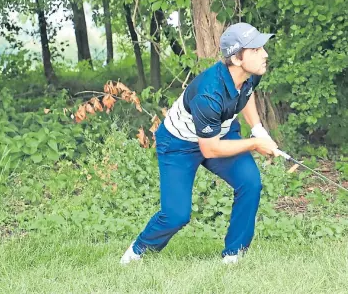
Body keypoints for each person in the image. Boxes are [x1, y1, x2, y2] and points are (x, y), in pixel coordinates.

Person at [120, 22, 282, 265]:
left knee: (250, 183)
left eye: (262, 48)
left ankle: (233, 254)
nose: (265, 54)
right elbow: (210, 149)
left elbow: (246, 94)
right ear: (237, 59)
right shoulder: (209, 94)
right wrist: (254, 143)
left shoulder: (251, 73)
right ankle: (137, 251)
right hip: (179, 144)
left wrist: (258, 129)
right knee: (176, 215)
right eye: (256, 50)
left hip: (219, 134)